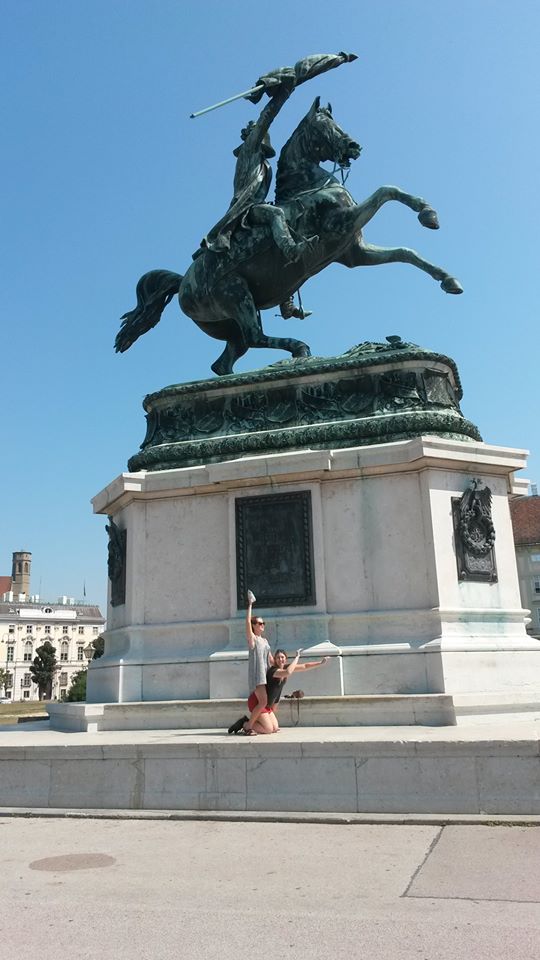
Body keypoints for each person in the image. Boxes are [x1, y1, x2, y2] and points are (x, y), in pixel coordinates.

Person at [193, 69, 318, 272]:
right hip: (246, 208)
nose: (260, 134)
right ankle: (290, 250)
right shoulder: (249, 151)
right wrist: (283, 94)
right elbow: (266, 117)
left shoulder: (263, 162)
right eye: (257, 132)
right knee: (276, 214)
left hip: (256, 206)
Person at [228, 645, 330, 736]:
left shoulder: (285, 668)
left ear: (285, 659)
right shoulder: (274, 671)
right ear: (275, 659)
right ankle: (245, 724)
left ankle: (250, 720)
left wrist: (320, 663)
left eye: (282, 657)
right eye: (278, 657)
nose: (280, 659)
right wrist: (297, 657)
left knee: (275, 728)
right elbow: (288, 672)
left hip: (267, 705)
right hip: (258, 702)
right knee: (268, 729)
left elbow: (304, 666)